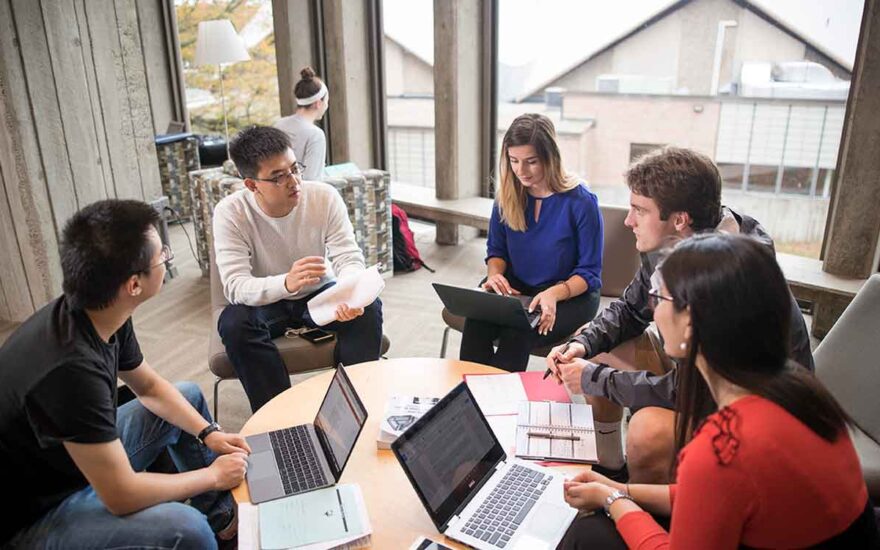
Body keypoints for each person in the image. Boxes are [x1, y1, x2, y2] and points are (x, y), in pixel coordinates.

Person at [559, 234, 877, 549]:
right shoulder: (795, 387)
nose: (653, 310)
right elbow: (709, 494)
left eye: (659, 297)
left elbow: (711, 482)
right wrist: (620, 490)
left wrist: (614, 499)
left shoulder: (720, 448)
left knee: (588, 534)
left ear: (691, 324)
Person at [546, 147, 814, 483]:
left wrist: (592, 378)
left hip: (752, 414)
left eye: (639, 210)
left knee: (647, 432)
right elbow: (630, 309)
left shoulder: (729, 280)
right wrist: (582, 345)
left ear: (679, 220)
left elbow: (689, 389)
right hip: (699, 377)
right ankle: (611, 467)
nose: (628, 221)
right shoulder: (671, 243)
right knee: (596, 343)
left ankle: (646, 510)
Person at [0, 200, 250, 549]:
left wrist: (208, 433)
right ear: (134, 284)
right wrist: (211, 476)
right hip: (35, 513)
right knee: (186, 528)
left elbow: (147, 386)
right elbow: (121, 495)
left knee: (187, 395)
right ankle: (208, 527)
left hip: (73, 461)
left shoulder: (100, 311)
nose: (167, 255)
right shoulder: (69, 369)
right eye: (163, 255)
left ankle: (223, 522)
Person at [214, 125, 383, 412]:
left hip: (319, 295)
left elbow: (347, 256)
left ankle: (354, 406)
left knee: (368, 308)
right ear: (252, 185)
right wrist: (286, 283)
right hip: (267, 302)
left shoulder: (324, 197)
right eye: (278, 177)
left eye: (295, 169)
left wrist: (351, 293)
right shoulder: (231, 212)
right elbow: (235, 286)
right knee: (234, 323)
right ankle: (279, 416)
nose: (294, 181)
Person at [458, 113, 603, 372]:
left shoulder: (581, 202)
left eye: (531, 162)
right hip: (519, 287)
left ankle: (503, 404)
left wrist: (553, 294)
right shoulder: (507, 196)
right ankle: (467, 397)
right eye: (513, 161)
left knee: (519, 328)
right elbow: (496, 250)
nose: (521, 171)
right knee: (476, 320)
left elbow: (589, 273)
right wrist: (495, 275)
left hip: (570, 294)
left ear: (550, 157)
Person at [274, 66, 329, 181]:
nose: (327, 106)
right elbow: (312, 180)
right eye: (326, 102)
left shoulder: (279, 124)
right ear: (318, 103)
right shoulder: (315, 135)